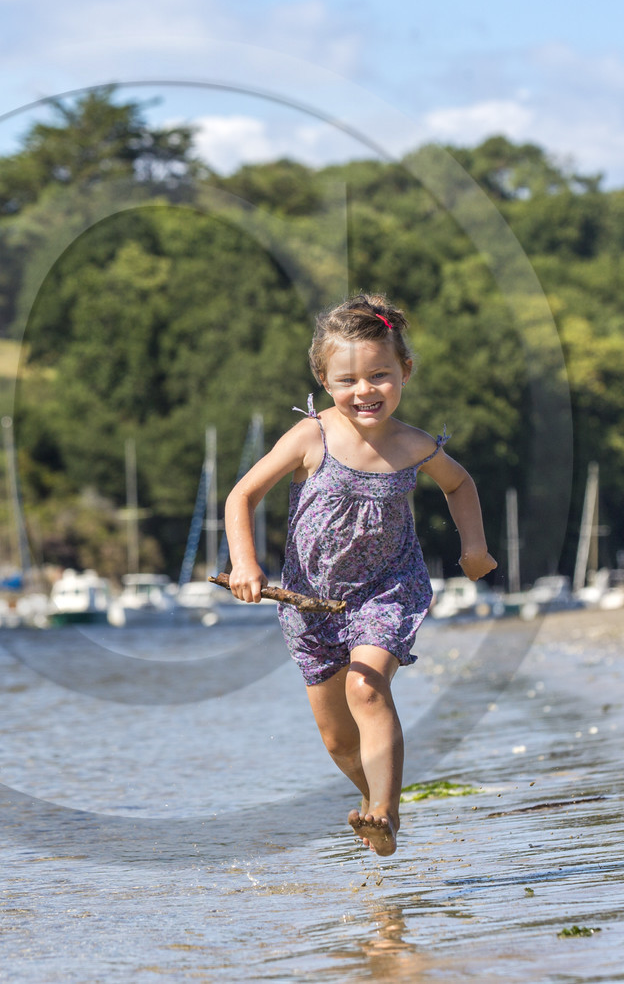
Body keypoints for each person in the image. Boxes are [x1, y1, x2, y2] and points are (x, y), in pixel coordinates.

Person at [223, 293, 497, 856]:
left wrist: (474, 547)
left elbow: (461, 484)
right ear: (324, 379)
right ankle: (374, 808)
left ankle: (384, 810)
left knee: (366, 689)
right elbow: (242, 494)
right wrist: (245, 563)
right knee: (336, 737)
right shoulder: (311, 437)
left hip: (387, 589)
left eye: (380, 375)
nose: (364, 391)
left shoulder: (415, 446)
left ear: (405, 372)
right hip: (307, 600)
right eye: (348, 380)